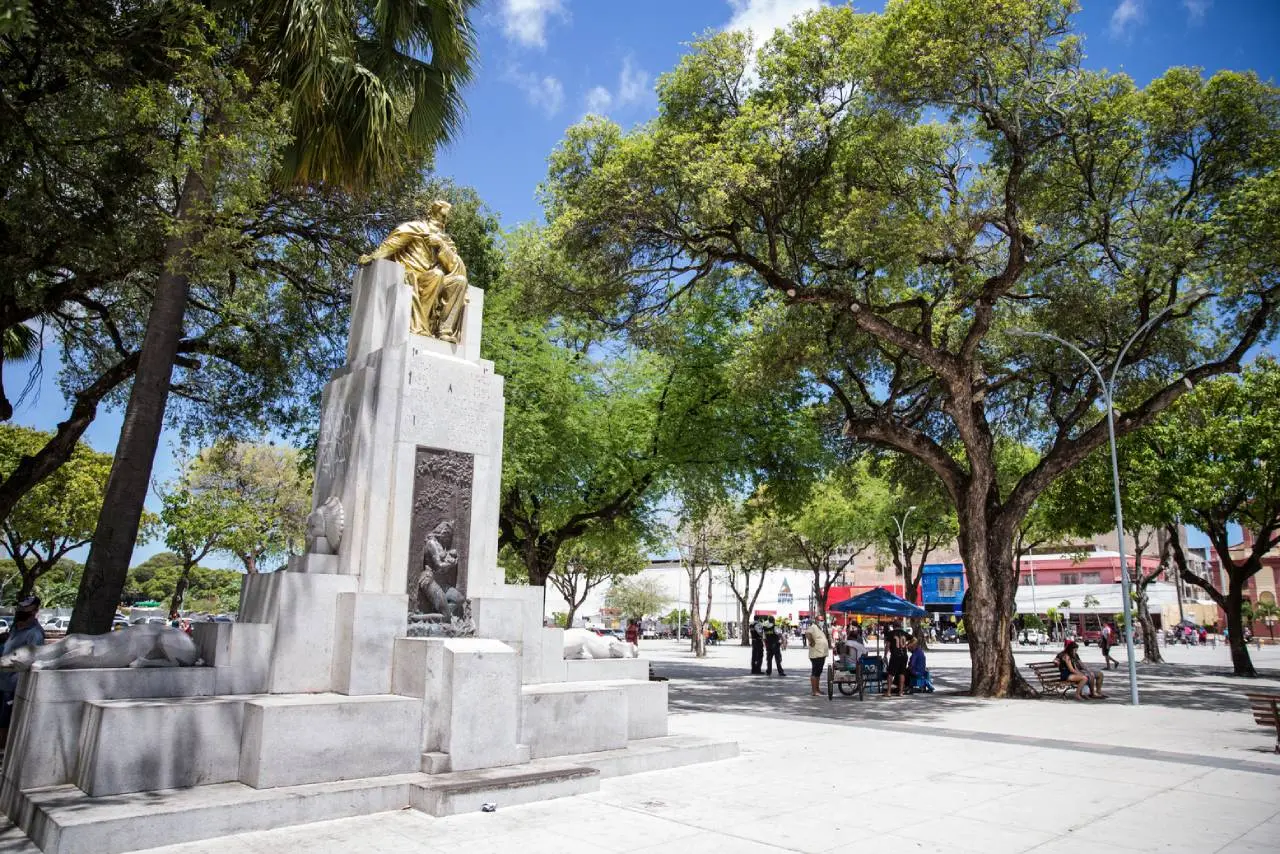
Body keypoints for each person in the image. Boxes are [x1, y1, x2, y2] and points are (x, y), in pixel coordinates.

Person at [0, 596, 46, 747]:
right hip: (3, 682)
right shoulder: (16, 627)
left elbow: (32, 660)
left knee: (6, 723)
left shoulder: (35, 633)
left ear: (34, 611)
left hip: (14, 686)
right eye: (20, 607)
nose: (20, 610)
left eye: (25, 608)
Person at [804, 616, 829, 696]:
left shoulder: (819, 628)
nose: (822, 621)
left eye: (823, 620)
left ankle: (817, 689)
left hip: (821, 654)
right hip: (816, 654)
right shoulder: (813, 627)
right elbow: (807, 633)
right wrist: (811, 641)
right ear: (816, 620)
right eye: (820, 620)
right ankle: (814, 691)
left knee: (818, 672)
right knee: (815, 672)